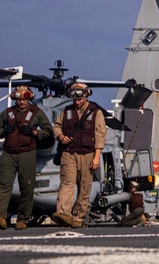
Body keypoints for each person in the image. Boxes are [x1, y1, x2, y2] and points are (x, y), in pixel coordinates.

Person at [52, 82, 106, 228]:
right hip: (69, 153)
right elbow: (57, 126)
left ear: (86, 96)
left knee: (84, 186)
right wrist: (61, 136)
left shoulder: (96, 112)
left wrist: (96, 157)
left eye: (80, 99)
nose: (77, 101)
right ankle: (63, 213)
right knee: (67, 182)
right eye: (74, 99)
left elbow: (100, 135)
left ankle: (78, 216)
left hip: (88, 153)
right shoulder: (67, 110)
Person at [0, 86, 54, 230]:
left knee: (27, 186)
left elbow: (48, 131)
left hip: (27, 153)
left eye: (24, 99)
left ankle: (22, 219)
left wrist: (35, 133)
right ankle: (1, 217)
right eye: (19, 99)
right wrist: (4, 131)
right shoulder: (8, 113)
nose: (22, 102)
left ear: (29, 99)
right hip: (8, 153)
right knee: (4, 185)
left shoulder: (36, 113)